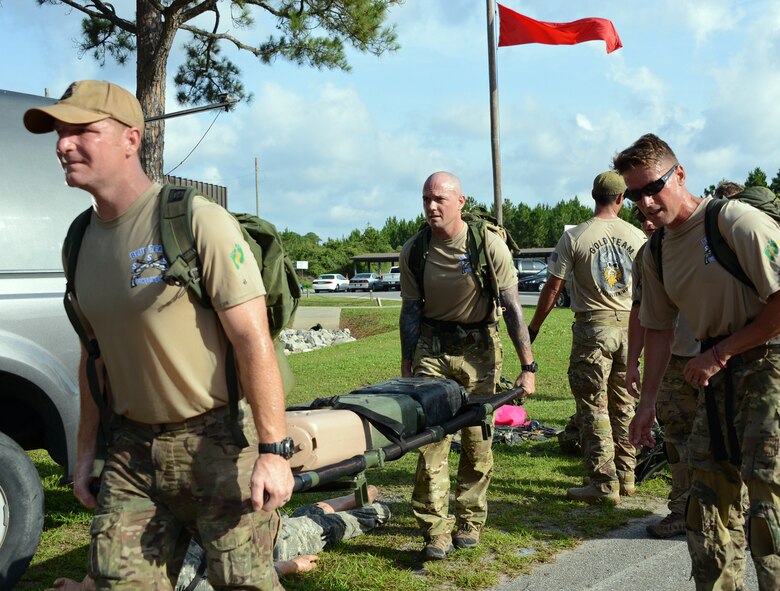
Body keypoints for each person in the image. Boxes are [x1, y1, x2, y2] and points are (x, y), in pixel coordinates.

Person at [24, 80, 294, 590]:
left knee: (245, 584)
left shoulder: (194, 221)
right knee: (115, 583)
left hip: (218, 442)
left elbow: (252, 339)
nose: (63, 144)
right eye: (60, 132)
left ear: (131, 139)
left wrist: (273, 451)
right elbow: (93, 355)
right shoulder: (78, 242)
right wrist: (86, 454)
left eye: (82, 130)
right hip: (132, 450)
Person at [615, 133, 780, 590]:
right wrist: (647, 404)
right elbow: (658, 329)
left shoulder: (734, 221)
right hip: (712, 379)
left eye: (654, 187)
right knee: (705, 512)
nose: (646, 203)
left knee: (771, 516)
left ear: (680, 174)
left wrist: (721, 352)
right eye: (634, 194)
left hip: (768, 367)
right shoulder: (655, 252)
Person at [399, 171, 536, 560]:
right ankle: (434, 530)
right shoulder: (414, 250)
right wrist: (407, 361)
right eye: (426, 199)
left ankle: (470, 522)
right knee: (430, 442)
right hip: (432, 349)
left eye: (440, 199)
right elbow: (410, 311)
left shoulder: (486, 245)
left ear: (460, 201)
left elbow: (511, 307)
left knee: (477, 441)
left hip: (480, 350)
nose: (431, 206)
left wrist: (529, 367)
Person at [528, 171, 646, 505]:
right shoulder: (638, 237)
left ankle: (602, 482)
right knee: (624, 405)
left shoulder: (576, 237)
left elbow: (553, 287)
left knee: (593, 405)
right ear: (622, 199)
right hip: (630, 327)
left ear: (593, 195)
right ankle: (626, 475)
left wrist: (534, 327)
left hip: (593, 329)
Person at [47, 486, 392, 591]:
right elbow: (223, 581)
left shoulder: (103, 561)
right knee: (313, 529)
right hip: (253, 549)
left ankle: (351, 498)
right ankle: (378, 510)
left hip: (228, 527)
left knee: (294, 520)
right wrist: (286, 567)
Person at [626, 207, 699, 538]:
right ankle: (682, 509)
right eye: (642, 217)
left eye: (653, 215)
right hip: (674, 359)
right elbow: (642, 313)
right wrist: (632, 362)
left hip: (724, 357)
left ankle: (726, 510)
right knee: (676, 437)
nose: (649, 222)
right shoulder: (649, 253)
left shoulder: (705, 239)